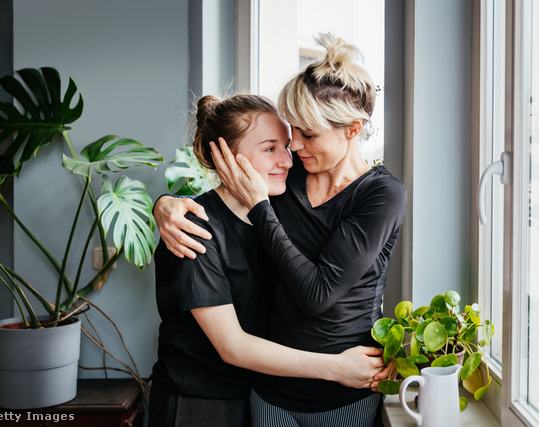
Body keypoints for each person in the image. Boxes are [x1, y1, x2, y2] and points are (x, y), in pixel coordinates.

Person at [154, 34, 407, 426]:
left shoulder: (368, 192)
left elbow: (319, 291)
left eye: (305, 136)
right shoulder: (212, 218)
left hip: (320, 391)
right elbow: (233, 344)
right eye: (286, 139)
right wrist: (165, 204)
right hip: (231, 393)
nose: (293, 153)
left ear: (353, 129)